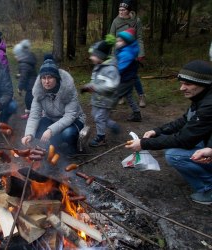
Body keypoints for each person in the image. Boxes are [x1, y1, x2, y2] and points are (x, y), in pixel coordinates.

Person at [125, 60, 212, 205]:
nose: (182, 88)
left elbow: (184, 140)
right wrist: (157, 131)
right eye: (182, 83)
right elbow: (185, 119)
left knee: (174, 155)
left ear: (204, 83)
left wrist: (144, 144)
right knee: (166, 138)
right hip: (208, 142)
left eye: (188, 84)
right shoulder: (201, 97)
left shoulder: (209, 105)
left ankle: (208, 189)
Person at [21, 55, 85, 155]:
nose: (46, 81)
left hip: (74, 120)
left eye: (50, 77)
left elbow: (70, 116)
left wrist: (51, 130)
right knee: (37, 129)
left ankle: (72, 146)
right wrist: (29, 134)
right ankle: (55, 144)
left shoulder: (68, 90)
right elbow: (34, 116)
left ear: (57, 78)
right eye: (43, 78)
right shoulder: (39, 92)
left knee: (67, 134)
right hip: (52, 119)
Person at [80, 37, 121, 147]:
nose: (91, 57)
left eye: (93, 55)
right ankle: (112, 124)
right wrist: (88, 87)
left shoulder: (111, 69)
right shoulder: (98, 67)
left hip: (106, 100)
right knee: (96, 115)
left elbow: (112, 85)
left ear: (100, 56)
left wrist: (95, 87)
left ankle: (101, 138)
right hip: (97, 99)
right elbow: (94, 81)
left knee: (99, 118)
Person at [110, 0, 146, 108]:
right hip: (118, 51)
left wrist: (141, 53)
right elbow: (111, 37)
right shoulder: (116, 21)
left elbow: (139, 38)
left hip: (131, 51)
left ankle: (141, 95)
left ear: (128, 11)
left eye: (123, 10)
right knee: (119, 74)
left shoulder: (136, 21)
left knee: (133, 76)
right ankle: (121, 95)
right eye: (119, 10)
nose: (121, 12)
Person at [115, 27, 142, 122]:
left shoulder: (126, 53)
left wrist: (111, 73)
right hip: (128, 78)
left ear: (125, 42)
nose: (116, 43)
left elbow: (120, 68)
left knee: (115, 94)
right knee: (128, 95)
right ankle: (137, 113)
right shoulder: (124, 50)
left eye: (119, 41)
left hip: (127, 80)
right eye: (117, 41)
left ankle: (104, 112)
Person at [13, 39, 37, 120]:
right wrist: (19, 75)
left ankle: (30, 115)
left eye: (16, 55)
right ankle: (32, 113)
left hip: (31, 86)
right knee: (32, 99)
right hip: (33, 84)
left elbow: (24, 77)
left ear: (21, 55)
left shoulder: (24, 64)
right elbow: (27, 73)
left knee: (28, 100)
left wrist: (19, 88)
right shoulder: (28, 61)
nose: (15, 57)